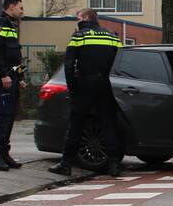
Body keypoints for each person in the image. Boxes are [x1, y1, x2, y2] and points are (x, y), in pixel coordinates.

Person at [49, 9, 124, 177]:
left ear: (85, 18)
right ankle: (114, 165)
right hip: (107, 85)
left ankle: (66, 164)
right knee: (109, 124)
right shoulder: (112, 36)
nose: (77, 21)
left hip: (85, 86)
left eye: (78, 18)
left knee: (75, 125)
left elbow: (69, 64)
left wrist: (72, 86)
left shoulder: (79, 36)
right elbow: (121, 61)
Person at [0, 0, 26, 171]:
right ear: (11, 6)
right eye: (20, 8)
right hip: (4, 77)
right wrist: (3, 74)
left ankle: (4, 153)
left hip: (12, 75)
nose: (22, 12)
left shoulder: (11, 25)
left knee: (10, 116)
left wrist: (21, 77)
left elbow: (15, 54)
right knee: (4, 116)